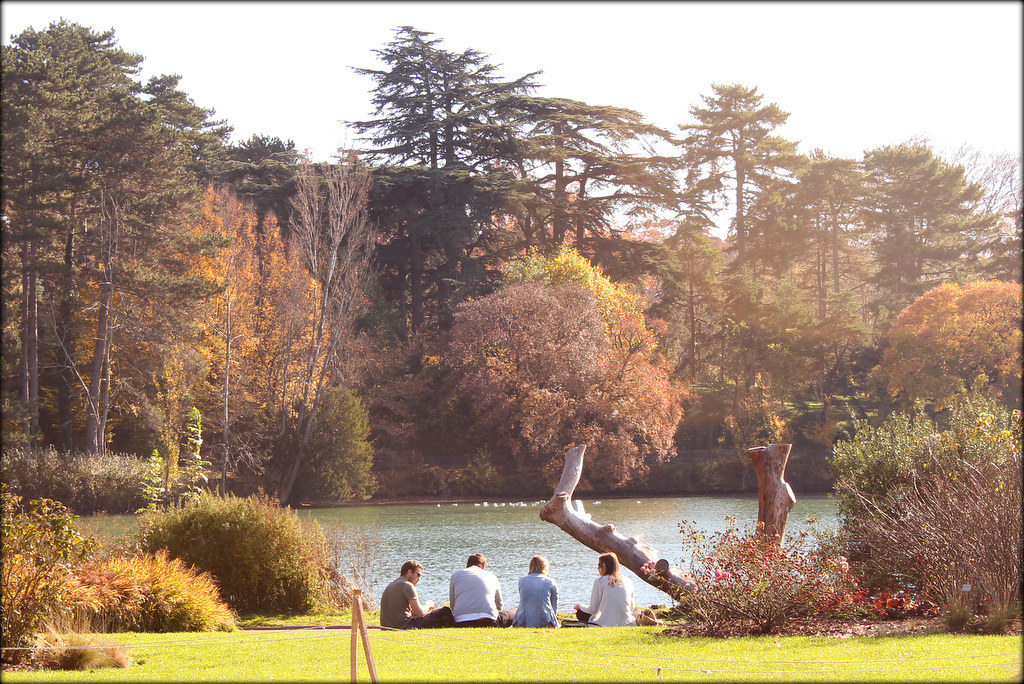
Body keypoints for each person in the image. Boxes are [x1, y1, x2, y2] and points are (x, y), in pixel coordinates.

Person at [379, 560, 454, 629]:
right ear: (409, 572)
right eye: (418, 575)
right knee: (445, 611)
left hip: (386, 626)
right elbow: (420, 613)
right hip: (403, 626)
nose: (419, 578)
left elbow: (412, 611)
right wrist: (428, 604)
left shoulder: (392, 584)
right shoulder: (407, 585)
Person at [449, 553, 515, 627]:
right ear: (483, 567)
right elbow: (499, 603)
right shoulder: (491, 575)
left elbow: (452, 603)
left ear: (467, 565)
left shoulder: (455, 575)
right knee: (515, 611)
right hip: (488, 620)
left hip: (461, 621)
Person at [574, 552, 637, 627]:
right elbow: (632, 608)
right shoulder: (628, 581)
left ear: (607, 566)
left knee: (580, 613)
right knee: (637, 610)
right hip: (627, 622)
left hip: (605, 623)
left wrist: (580, 606)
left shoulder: (599, 581)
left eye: (600, 565)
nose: (598, 568)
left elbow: (593, 609)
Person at [512, 555, 559, 628]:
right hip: (545, 620)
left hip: (523, 621)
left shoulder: (522, 581)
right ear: (545, 567)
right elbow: (554, 604)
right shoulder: (550, 582)